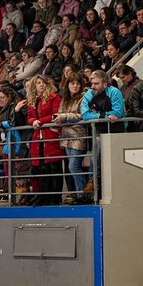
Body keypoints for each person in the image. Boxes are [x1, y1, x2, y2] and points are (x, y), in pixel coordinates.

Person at [53, 72, 88, 204]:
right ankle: (78, 194)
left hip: (79, 136)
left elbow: (82, 115)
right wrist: (60, 117)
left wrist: (65, 117)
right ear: (67, 85)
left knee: (74, 167)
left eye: (78, 83)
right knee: (71, 167)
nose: (75, 86)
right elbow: (61, 113)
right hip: (66, 136)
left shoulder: (84, 97)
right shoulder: (65, 99)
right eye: (72, 83)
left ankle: (83, 194)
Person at [27, 75, 62, 206]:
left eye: (43, 83)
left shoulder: (54, 97)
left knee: (54, 168)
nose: (41, 85)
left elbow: (55, 115)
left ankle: (55, 198)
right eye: (38, 83)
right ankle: (44, 196)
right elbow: (30, 117)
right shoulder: (32, 100)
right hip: (38, 138)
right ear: (34, 86)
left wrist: (39, 121)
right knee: (41, 168)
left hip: (51, 136)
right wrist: (33, 122)